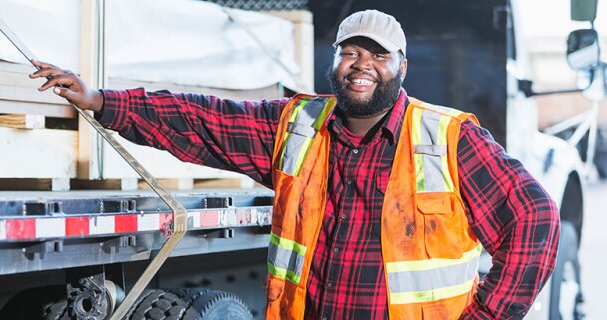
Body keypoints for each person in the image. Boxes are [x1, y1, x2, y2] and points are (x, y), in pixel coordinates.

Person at [30, 9, 560, 320]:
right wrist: (103, 101)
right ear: (334, 59)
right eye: (351, 52)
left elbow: (535, 220)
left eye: (378, 56)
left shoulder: (446, 137)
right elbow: (203, 120)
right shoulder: (297, 125)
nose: (362, 66)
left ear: (402, 67)